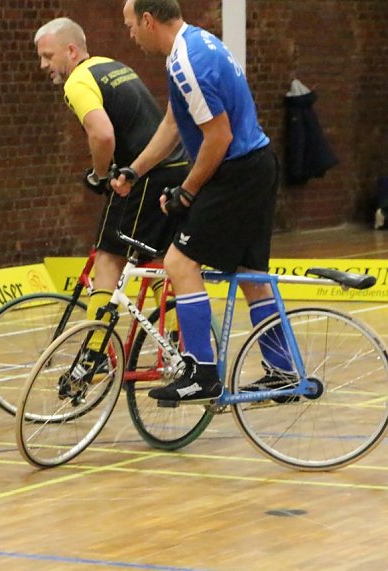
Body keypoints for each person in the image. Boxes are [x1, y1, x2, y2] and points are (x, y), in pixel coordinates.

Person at [115, 0, 289, 402]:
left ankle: (201, 372)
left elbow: (218, 137)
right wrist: (135, 170)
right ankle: (283, 372)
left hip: (236, 170)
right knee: (250, 276)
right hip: (253, 165)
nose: (131, 35)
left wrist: (187, 192)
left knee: (179, 261)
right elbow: (176, 122)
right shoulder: (195, 43)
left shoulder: (186, 62)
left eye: (129, 26)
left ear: (147, 19)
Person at [34, 17, 189, 378]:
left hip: (142, 175)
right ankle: (177, 345)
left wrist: (100, 175)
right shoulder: (113, 66)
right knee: (158, 261)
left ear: (71, 51)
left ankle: (93, 354)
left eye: (47, 56)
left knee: (108, 257)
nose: (44, 65)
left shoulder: (78, 81)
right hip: (174, 168)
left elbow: (102, 135)